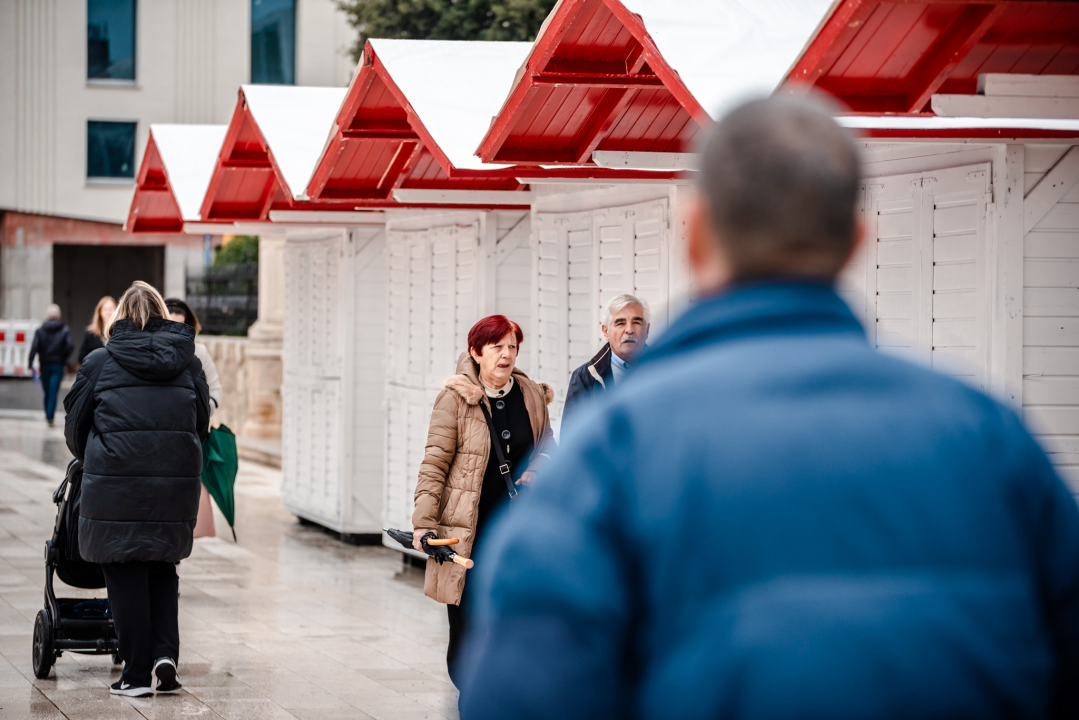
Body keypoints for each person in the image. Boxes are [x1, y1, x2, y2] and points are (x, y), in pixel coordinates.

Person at [458, 96, 1079, 719]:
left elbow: (518, 694)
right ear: (857, 238)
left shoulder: (608, 455)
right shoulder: (988, 438)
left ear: (697, 235)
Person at [64, 281, 209, 698]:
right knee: (163, 566)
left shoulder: (99, 362)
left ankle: (135, 674)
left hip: (115, 486)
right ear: (162, 313)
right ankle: (165, 657)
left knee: (124, 568)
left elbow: (75, 429)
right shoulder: (190, 363)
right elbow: (200, 425)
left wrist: (98, 453)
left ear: (120, 317)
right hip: (174, 486)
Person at [411, 315, 554, 687]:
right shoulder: (455, 399)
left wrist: (539, 468)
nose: (507, 354)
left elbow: (547, 446)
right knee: (467, 622)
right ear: (477, 352)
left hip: (518, 531)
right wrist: (423, 523)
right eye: (498, 347)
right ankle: (470, 694)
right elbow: (434, 463)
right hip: (466, 534)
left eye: (513, 346)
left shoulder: (531, 394)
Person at [165, 298, 223, 539]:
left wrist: (199, 412)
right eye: (170, 324)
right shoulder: (148, 349)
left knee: (184, 511)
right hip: (159, 439)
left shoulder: (199, 352)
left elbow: (216, 390)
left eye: (182, 325)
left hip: (189, 440)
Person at [563, 293, 650, 422]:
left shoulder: (666, 370)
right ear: (605, 332)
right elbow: (571, 435)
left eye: (636, 322)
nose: (629, 330)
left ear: (647, 330)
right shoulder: (585, 378)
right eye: (620, 323)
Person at [27, 303, 74, 427]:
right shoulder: (64, 329)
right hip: (58, 365)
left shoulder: (40, 330)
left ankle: (48, 415)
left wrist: (30, 362)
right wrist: (63, 358)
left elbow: (34, 347)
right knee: (53, 391)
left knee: (47, 391)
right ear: (59, 315)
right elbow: (70, 346)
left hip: (44, 365)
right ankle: (50, 417)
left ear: (48, 316)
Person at [78, 296, 116, 364]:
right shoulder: (91, 333)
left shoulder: (121, 331)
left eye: (111, 309)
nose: (108, 312)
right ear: (100, 312)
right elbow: (82, 357)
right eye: (105, 309)